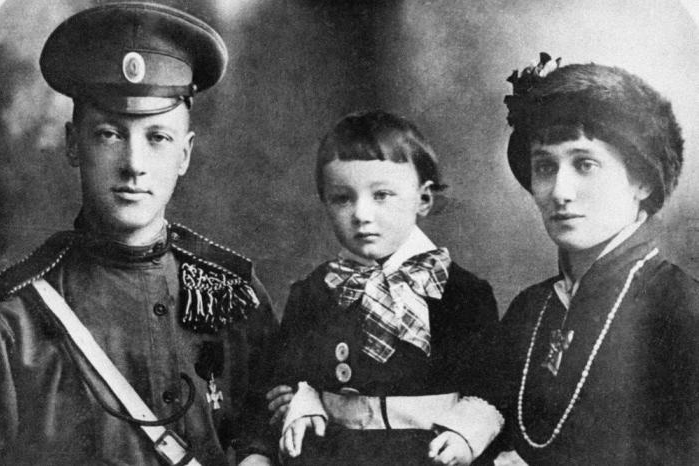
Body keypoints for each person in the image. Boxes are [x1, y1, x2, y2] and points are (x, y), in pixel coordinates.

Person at [0, 3, 277, 465]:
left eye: (157, 137)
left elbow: (275, 431)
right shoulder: (16, 321)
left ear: (185, 154)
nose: (134, 164)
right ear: (73, 143)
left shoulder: (236, 297)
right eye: (110, 134)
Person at [490, 54, 699, 464]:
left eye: (585, 164)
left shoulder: (682, 309)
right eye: (545, 167)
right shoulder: (528, 310)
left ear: (641, 180)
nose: (560, 191)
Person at [271, 110, 503, 465]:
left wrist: (465, 434)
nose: (361, 214)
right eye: (342, 198)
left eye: (381, 195)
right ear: (325, 202)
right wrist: (303, 404)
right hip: (338, 455)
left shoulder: (461, 293)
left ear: (423, 199)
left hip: (430, 456)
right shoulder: (315, 292)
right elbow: (290, 376)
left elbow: (492, 386)